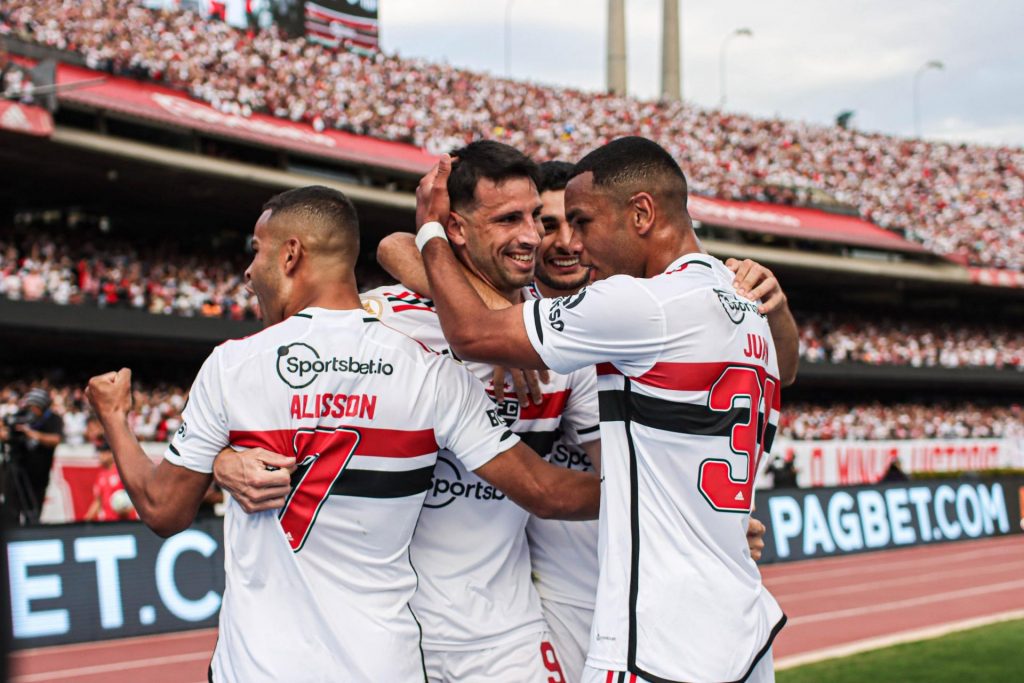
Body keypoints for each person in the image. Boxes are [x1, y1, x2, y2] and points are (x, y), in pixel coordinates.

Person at [85, 185, 600, 682]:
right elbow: (544, 491)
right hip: (385, 663)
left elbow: (163, 510)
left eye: (257, 251)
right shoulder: (429, 370)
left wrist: (113, 417)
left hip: (259, 668)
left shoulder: (233, 365)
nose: (248, 270)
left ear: (290, 256)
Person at [380, 157, 785, 683]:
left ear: (641, 213)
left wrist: (430, 232)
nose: (567, 241)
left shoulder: (616, 318)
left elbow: (478, 336)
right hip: (694, 617)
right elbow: (398, 254)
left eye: (581, 223)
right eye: (538, 223)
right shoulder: (733, 305)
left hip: (642, 636)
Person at [229, 143, 600, 682]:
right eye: (507, 219)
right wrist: (224, 458)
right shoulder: (381, 322)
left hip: (503, 638)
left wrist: (699, 513)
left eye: (533, 220)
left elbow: (611, 466)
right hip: (389, 638)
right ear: (456, 229)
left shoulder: (558, 343)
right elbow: (256, 394)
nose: (530, 236)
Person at [0, 387, 63, 524]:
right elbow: (6, 426)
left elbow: (56, 440)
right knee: (10, 511)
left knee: (33, 513)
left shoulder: (53, 419)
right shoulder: (21, 414)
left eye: (35, 407)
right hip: (15, 469)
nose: (32, 410)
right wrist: (6, 433)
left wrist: (31, 434)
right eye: (30, 406)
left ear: (43, 406)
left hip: (37, 475)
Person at [84, 438, 136, 521]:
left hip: (125, 521)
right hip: (107, 522)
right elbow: (98, 501)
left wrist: (128, 507)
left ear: (111, 454)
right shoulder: (101, 475)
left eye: (103, 452)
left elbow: (135, 495)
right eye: (99, 452)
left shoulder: (122, 472)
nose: (100, 456)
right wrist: (87, 520)